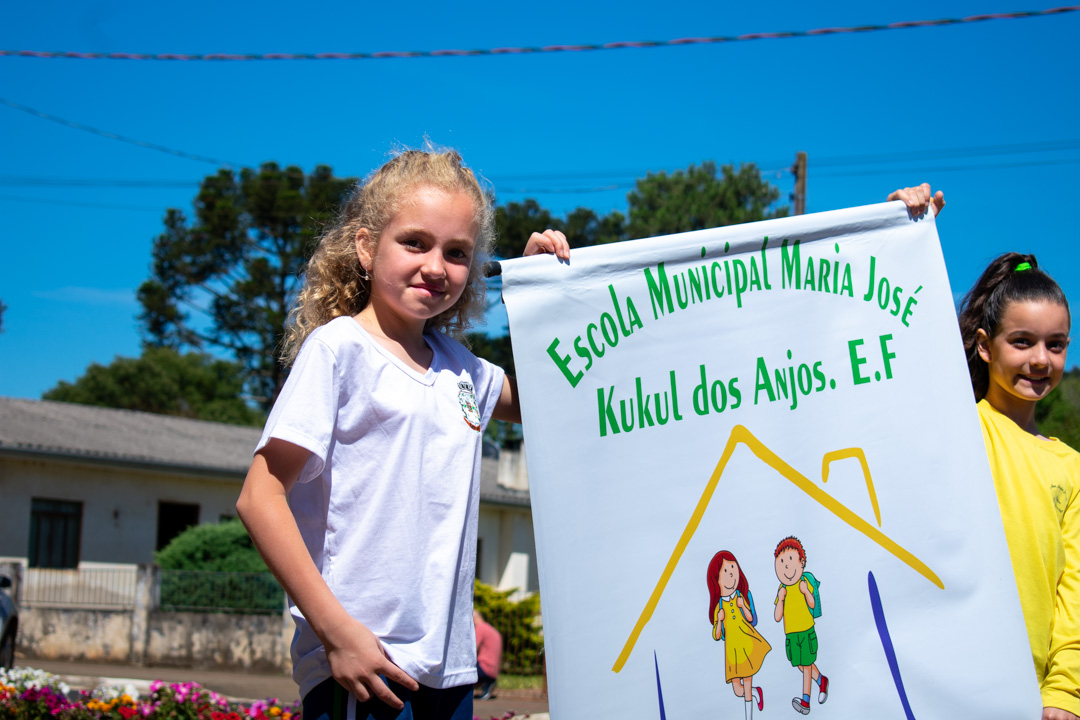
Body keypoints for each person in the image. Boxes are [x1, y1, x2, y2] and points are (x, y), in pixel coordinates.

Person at [235, 148, 569, 720]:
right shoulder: (338, 349)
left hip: (450, 670)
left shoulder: (462, 368)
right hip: (365, 666)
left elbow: (553, 397)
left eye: (457, 253)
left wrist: (542, 292)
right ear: (366, 246)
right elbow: (259, 497)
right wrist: (337, 633)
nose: (436, 266)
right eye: (415, 242)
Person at [957, 253, 1079, 720]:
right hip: (947, 679)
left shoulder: (1072, 467)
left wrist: (1065, 691)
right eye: (1022, 342)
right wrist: (898, 235)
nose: (1040, 360)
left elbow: (1075, 594)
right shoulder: (958, 426)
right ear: (985, 346)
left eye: (1056, 345)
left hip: (1032, 698)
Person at [707, 550, 769, 719]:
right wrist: (719, 620)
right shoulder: (719, 607)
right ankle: (756, 692)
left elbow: (751, 619)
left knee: (747, 686)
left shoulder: (741, 597)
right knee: (737, 690)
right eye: (725, 572)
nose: (731, 575)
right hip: (732, 652)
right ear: (716, 580)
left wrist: (743, 606)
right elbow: (717, 636)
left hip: (747, 645)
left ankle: (749, 716)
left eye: (733, 569)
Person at [772, 537, 828, 715]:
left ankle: (805, 701)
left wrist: (805, 591)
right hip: (791, 635)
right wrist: (780, 599)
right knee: (802, 665)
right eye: (781, 563)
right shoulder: (783, 589)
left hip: (806, 631)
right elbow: (777, 616)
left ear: (801, 562)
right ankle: (821, 680)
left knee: (805, 665)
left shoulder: (804, 583)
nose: (785, 567)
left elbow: (812, 604)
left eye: (789, 561)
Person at [472, 609, 501, 700]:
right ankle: (487, 684)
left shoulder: (480, 628)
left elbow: (473, 649)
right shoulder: (490, 629)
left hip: (484, 669)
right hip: (493, 671)